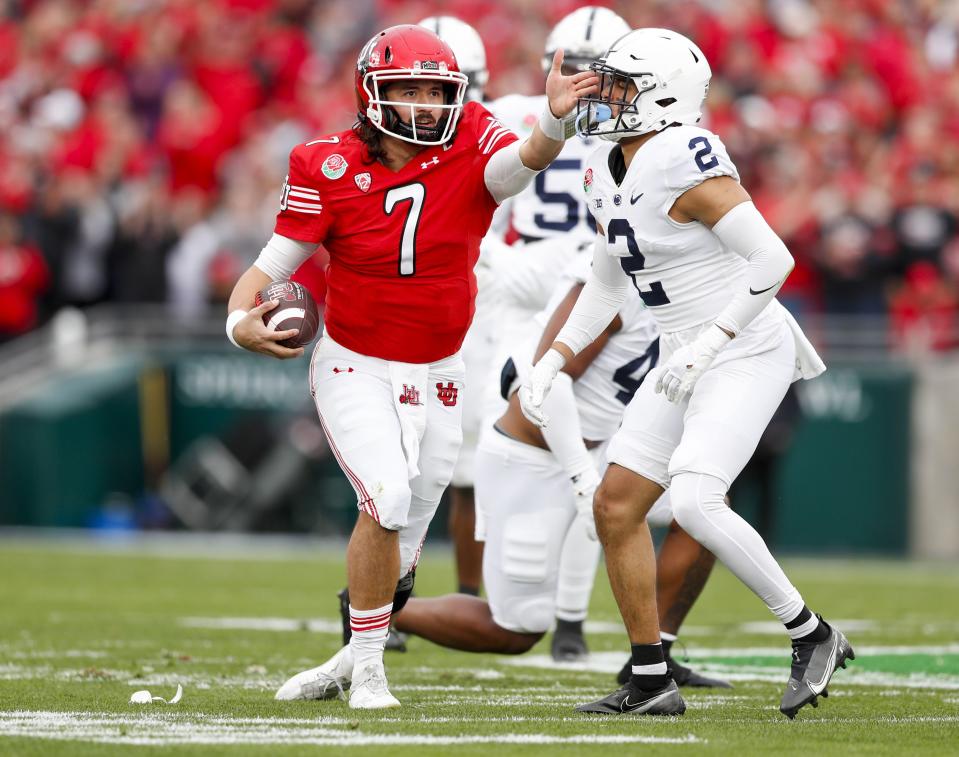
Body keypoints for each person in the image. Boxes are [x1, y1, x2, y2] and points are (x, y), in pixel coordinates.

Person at [227, 24, 598, 709]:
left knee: (414, 522)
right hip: (356, 361)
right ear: (373, 94)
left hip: (441, 367)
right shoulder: (325, 162)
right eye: (409, 91)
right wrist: (237, 320)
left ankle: (346, 657)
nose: (427, 105)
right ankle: (369, 668)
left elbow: (520, 165)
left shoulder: (473, 133)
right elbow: (273, 263)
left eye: (437, 91)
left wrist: (551, 119)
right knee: (388, 499)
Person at [520, 28, 854, 718]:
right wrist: (552, 360)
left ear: (665, 96)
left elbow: (772, 261)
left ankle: (810, 632)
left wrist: (710, 342)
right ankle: (650, 679)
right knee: (615, 506)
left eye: (621, 86)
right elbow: (606, 285)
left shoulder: (681, 154)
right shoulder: (601, 164)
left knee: (698, 501)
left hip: (741, 345)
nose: (606, 98)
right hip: (682, 351)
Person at [385, 251, 729, 691]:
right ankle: (378, 607)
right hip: (533, 459)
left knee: (700, 510)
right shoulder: (611, 281)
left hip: (600, 447)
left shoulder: (675, 283)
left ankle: (653, 654)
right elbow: (549, 383)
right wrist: (584, 480)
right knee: (517, 629)